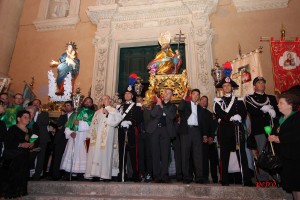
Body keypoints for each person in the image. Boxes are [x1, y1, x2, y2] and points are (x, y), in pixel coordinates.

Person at [213, 76, 252, 186]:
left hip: (237, 129)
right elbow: (218, 112)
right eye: (224, 86)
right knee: (224, 155)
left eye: (228, 85)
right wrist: (230, 117)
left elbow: (244, 112)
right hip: (225, 130)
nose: (226, 87)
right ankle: (224, 180)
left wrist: (240, 116)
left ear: (232, 87)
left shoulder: (239, 100)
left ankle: (246, 180)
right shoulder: (218, 101)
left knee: (241, 154)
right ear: (222, 88)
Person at [245, 76, 279, 181]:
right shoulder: (249, 98)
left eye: (263, 82)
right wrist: (264, 110)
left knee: (274, 151)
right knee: (262, 152)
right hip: (259, 129)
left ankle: (276, 175)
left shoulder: (271, 98)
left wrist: (274, 113)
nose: (262, 84)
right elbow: (252, 111)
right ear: (254, 86)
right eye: (259, 83)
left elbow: (277, 112)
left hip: (271, 128)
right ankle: (264, 177)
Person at [268, 92, 300, 200]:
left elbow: (296, 135)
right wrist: (272, 136)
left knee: (297, 184)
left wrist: (279, 139)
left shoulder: (297, 117)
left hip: (295, 157)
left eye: (281, 103)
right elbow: (275, 132)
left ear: (290, 104)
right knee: (291, 185)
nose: (278, 105)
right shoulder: (280, 119)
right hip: (284, 157)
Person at [85, 95, 122, 181]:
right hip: (96, 137)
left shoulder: (114, 111)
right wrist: (89, 134)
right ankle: (94, 174)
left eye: (106, 99)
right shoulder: (97, 112)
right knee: (94, 154)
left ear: (109, 100)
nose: (104, 100)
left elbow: (116, 122)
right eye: (102, 99)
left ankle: (104, 175)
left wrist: (108, 114)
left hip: (106, 138)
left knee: (105, 154)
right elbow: (93, 124)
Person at [1, 110, 33, 198]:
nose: (27, 119)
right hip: (12, 157)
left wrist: (31, 144)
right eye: (25, 117)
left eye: (28, 117)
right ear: (19, 119)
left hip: (23, 157)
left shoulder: (29, 131)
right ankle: (6, 194)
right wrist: (20, 144)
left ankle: (19, 193)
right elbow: (8, 142)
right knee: (10, 176)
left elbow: (30, 141)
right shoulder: (13, 128)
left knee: (22, 176)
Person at [60, 97, 95, 180]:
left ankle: (81, 173)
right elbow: (68, 125)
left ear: (92, 104)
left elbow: (92, 126)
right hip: (75, 136)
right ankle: (68, 173)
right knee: (71, 153)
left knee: (83, 154)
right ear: (83, 102)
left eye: (90, 102)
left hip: (85, 136)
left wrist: (79, 123)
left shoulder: (93, 113)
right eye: (86, 101)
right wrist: (70, 133)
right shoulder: (76, 112)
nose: (87, 103)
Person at [146, 88, 176, 183]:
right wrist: (158, 106)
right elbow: (153, 115)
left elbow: (171, 117)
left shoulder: (173, 107)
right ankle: (157, 176)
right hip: (155, 130)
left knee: (165, 154)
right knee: (155, 153)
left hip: (165, 131)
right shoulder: (156, 104)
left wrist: (162, 107)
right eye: (165, 92)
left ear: (171, 96)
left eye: (169, 93)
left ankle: (164, 175)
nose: (166, 94)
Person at [178, 89, 207, 184]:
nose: (196, 96)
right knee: (185, 155)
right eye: (194, 94)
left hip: (197, 132)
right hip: (186, 131)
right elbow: (180, 109)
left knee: (198, 155)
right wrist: (184, 96)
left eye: (198, 94)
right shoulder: (185, 104)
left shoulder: (199, 108)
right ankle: (186, 177)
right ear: (191, 95)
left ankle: (199, 177)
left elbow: (203, 122)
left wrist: (204, 134)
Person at [117, 88, 142, 182]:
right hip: (122, 132)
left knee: (133, 154)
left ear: (132, 96)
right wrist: (121, 123)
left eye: (129, 94)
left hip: (131, 132)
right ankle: (122, 174)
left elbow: (139, 118)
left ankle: (135, 174)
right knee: (122, 154)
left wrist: (131, 122)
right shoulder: (120, 107)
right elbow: (116, 119)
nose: (127, 95)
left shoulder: (136, 107)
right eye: (125, 94)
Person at [51, 101, 74, 180]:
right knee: (58, 156)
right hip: (61, 138)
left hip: (70, 139)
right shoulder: (63, 116)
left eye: (68, 105)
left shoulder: (76, 115)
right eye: (65, 105)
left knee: (68, 157)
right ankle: (55, 175)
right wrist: (65, 126)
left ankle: (66, 175)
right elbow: (59, 125)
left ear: (72, 107)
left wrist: (64, 127)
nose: (66, 107)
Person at [200, 95, 219, 184]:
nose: (204, 102)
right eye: (202, 100)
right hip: (199, 139)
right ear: (200, 101)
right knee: (202, 160)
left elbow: (212, 126)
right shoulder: (196, 112)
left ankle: (213, 177)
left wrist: (211, 136)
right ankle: (203, 177)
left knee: (211, 160)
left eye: (206, 101)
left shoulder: (209, 113)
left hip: (209, 140)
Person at [31, 99, 50, 181]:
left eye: (37, 104)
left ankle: (37, 174)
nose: (35, 105)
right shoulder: (28, 113)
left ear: (40, 105)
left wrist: (39, 113)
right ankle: (29, 172)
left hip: (42, 137)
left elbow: (45, 122)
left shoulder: (44, 114)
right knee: (30, 155)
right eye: (34, 103)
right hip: (32, 137)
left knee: (41, 156)